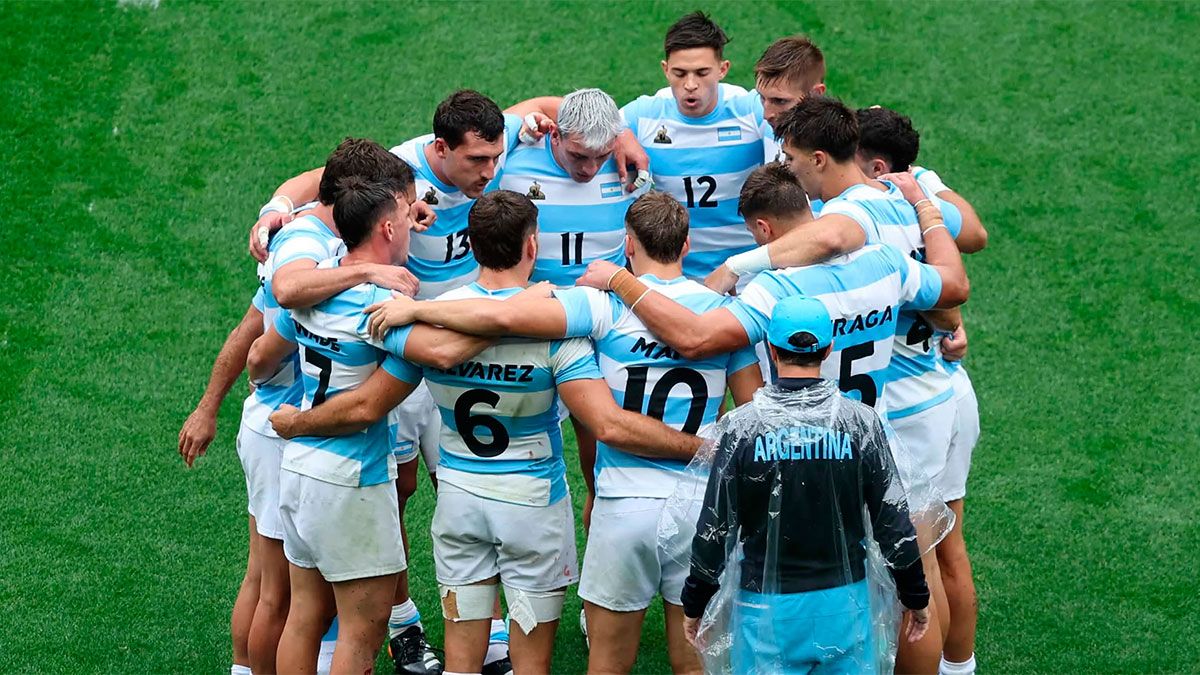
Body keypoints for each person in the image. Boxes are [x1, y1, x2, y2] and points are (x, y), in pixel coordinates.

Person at [270, 190, 705, 675]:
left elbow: (373, 399)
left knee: (461, 663)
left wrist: (299, 423)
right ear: (532, 246)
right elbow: (604, 420)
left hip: (460, 504)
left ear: (471, 246)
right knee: (531, 666)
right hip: (534, 509)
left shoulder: (433, 319)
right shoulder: (557, 326)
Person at [575, 159, 966, 673]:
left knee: (788, 586)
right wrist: (924, 210)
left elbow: (694, 336)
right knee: (912, 580)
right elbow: (951, 294)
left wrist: (622, 282)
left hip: (786, 458)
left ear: (762, 229)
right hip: (869, 441)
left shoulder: (771, 293)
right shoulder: (885, 263)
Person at [362, 191, 764, 675]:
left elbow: (407, 377)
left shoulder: (591, 309)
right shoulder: (721, 318)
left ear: (628, 245)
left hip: (473, 499)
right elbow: (751, 415)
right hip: (611, 506)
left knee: (508, 663)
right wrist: (710, 450)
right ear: (686, 245)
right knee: (690, 664)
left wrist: (420, 310)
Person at [677, 295, 931, 674]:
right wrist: (915, 595)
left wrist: (695, 602)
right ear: (828, 350)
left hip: (765, 610)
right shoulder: (861, 423)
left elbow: (715, 528)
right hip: (845, 606)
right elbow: (893, 523)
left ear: (771, 350)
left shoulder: (742, 429)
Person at [246, 176, 424, 674]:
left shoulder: (318, 280)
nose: (412, 226)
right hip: (353, 479)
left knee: (304, 616)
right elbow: (367, 407)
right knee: (361, 632)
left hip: (299, 470)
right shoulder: (385, 309)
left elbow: (261, 355)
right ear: (387, 228)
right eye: (406, 217)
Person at [855, 105, 987, 675]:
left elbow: (946, 303)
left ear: (876, 167)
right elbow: (974, 234)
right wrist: (923, 198)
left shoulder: (864, 219)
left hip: (913, 409)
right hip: (949, 390)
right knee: (945, 549)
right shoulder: (920, 195)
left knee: (915, 565)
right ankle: (960, 668)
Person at [620, 11, 767, 281]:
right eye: (679, 73)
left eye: (702, 73)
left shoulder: (751, 111)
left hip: (747, 277)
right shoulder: (644, 115)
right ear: (665, 69)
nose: (690, 85)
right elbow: (587, 123)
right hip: (673, 280)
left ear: (723, 69)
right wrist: (620, 134)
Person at [752, 36, 827, 162]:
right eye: (762, 97)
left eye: (780, 101)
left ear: (815, 94)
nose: (767, 115)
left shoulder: (835, 150)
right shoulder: (773, 129)